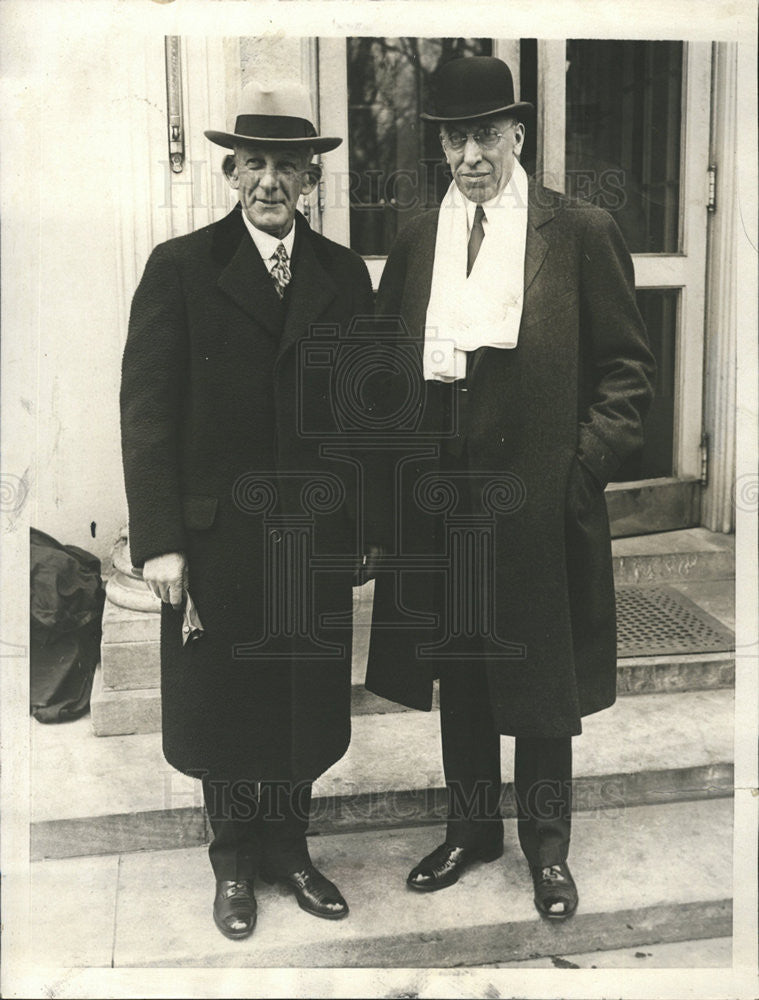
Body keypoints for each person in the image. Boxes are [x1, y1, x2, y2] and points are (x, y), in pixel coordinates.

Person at [364, 56, 656, 919]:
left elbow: (629, 373)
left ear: (517, 134)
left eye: (487, 135)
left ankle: (547, 847)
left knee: (537, 673)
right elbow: (385, 371)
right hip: (442, 502)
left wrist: (580, 469)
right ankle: (469, 829)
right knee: (460, 668)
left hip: (536, 501)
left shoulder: (577, 231)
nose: (470, 156)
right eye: (455, 137)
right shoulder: (419, 238)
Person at [120, 80, 374, 940]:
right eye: (256, 163)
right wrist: (159, 542)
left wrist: (365, 527)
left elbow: (369, 412)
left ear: (311, 179)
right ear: (230, 172)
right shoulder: (181, 267)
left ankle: (289, 850)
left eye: (289, 166)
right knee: (222, 701)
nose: (272, 181)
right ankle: (231, 859)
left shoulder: (342, 274)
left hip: (313, 534)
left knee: (301, 698)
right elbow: (146, 415)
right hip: (215, 537)